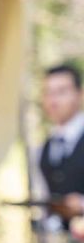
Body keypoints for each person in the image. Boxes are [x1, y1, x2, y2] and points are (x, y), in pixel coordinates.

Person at [38, 64, 84, 224]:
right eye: (48, 93)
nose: (53, 101)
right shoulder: (46, 146)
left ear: (79, 94)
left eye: (61, 92)